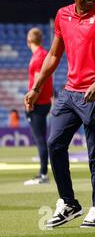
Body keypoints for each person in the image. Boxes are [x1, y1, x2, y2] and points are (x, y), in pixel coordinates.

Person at [24, 0, 95, 228]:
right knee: (54, 145)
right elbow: (54, 56)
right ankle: (68, 202)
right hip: (69, 93)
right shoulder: (62, 15)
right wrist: (36, 87)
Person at [24, 28, 54, 186]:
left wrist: (30, 103)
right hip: (44, 101)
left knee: (40, 139)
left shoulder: (38, 57)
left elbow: (38, 84)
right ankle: (43, 172)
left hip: (38, 103)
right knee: (41, 138)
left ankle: (43, 174)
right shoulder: (44, 54)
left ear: (29, 41)